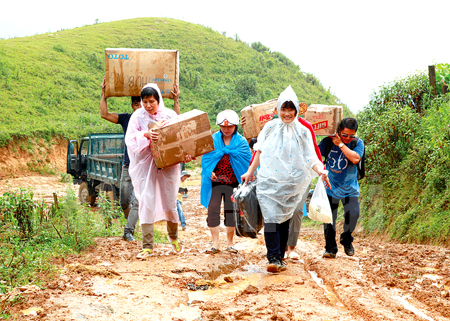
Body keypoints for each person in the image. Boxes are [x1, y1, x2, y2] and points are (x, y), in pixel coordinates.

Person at [241, 85, 330, 273]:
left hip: (292, 184)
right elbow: (259, 151)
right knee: (271, 217)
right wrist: (250, 172)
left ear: (296, 110)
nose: (287, 113)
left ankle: (280, 256)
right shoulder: (270, 127)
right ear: (278, 109)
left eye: (291, 109)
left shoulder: (303, 131)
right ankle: (273, 257)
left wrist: (321, 170)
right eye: (284, 108)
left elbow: (310, 156)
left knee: (284, 220)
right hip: (269, 182)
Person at [125, 82, 190, 259]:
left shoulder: (169, 114)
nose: (148, 106)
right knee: (146, 201)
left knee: (170, 202)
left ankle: (174, 239)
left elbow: (181, 136)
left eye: (151, 101)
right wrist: (144, 135)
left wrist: (186, 154)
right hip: (146, 166)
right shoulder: (137, 117)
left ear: (158, 100)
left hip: (168, 166)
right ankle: (147, 246)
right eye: (144, 102)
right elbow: (129, 139)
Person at [201, 110, 252, 254]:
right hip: (216, 183)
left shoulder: (241, 141)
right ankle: (215, 244)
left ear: (235, 126)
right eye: (223, 127)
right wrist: (209, 172)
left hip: (233, 184)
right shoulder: (213, 140)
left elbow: (247, 160)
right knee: (213, 211)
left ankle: (230, 243)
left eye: (229, 126)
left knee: (231, 212)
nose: (226, 129)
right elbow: (206, 160)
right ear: (219, 126)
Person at [100, 77, 141, 242]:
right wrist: (104, 94)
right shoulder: (126, 119)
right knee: (124, 201)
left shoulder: (152, 120)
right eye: (136, 104)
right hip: (128, 165)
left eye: (142, 103)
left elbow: (174, 120)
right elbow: (104, 114)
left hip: (144, 167)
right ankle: (131, 224)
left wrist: (176, 100)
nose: (139, 107)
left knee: (138, 200)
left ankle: (128, 231)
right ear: (132, 106)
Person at [318, 117, 364, 258]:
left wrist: (341, 144)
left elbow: (355, 158)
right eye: (345, 135)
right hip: (330, 186)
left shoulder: (357, 143)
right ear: (339, 130)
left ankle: (346, 239)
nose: (348, 138)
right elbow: (316, 156)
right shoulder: (327, 142)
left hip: (349, 187)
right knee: (329, 219)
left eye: (351, 135)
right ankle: (330, 249)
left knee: (353, 214)